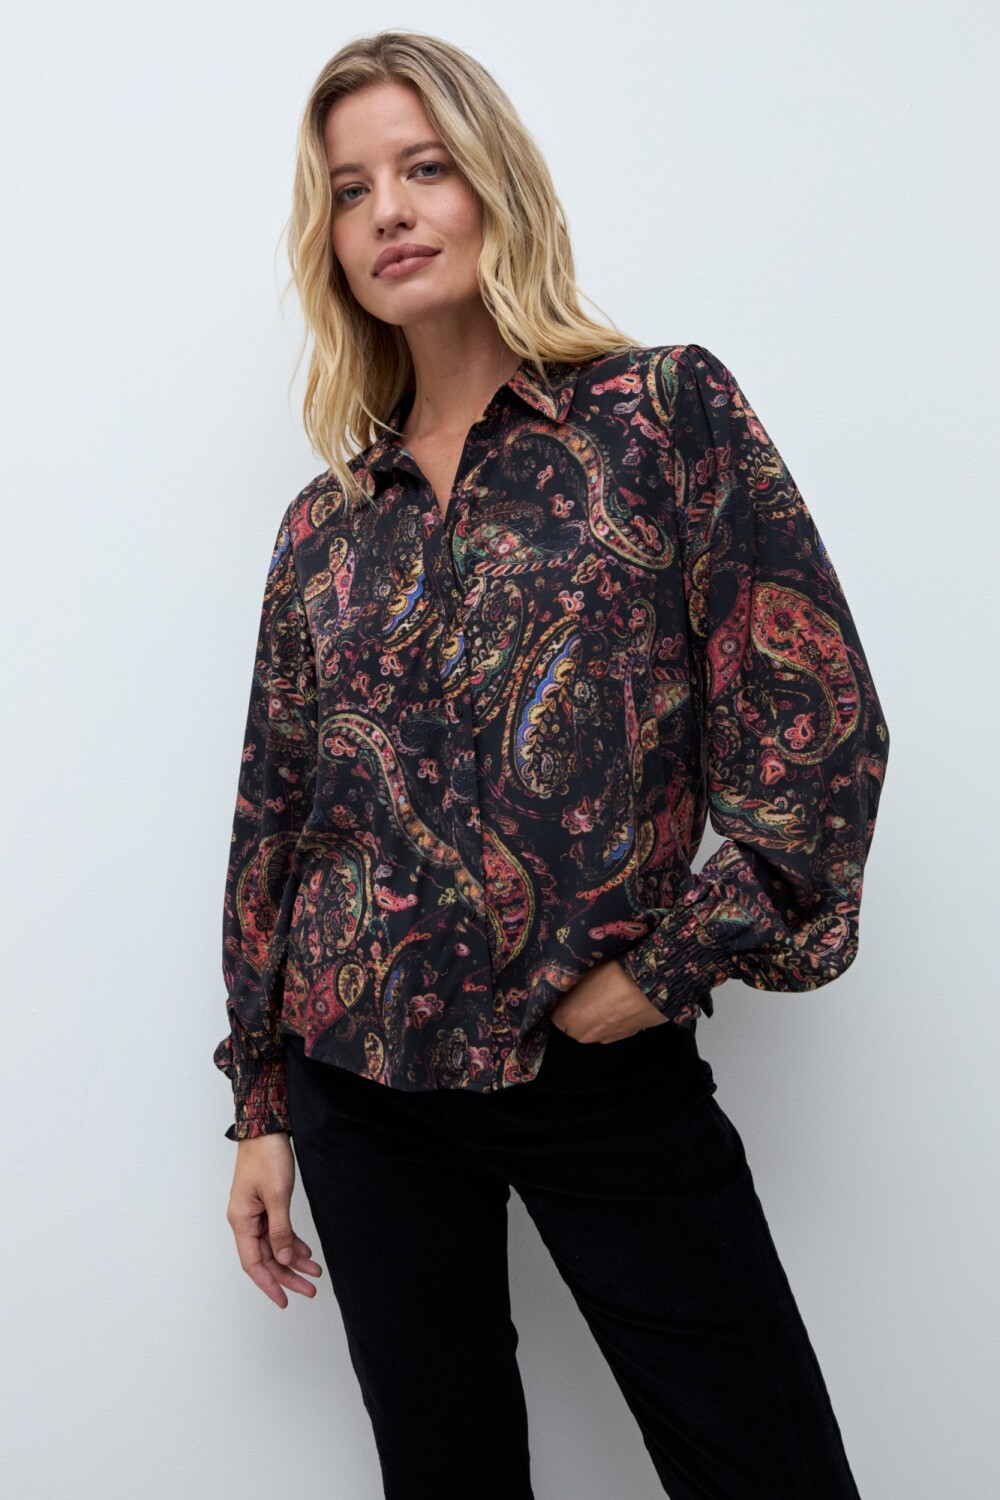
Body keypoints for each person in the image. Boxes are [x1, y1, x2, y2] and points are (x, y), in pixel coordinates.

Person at [215, 28, 889, 1500]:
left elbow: (815, 717)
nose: (389, 211)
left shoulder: (661, 417)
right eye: (350, 189)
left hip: (597, 1062)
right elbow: (278, 816)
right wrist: (263, 1104)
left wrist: (665, 969)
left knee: (767, 1466)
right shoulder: (324, 527)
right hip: (361, 1083)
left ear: (493, 184)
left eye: (423, 167)